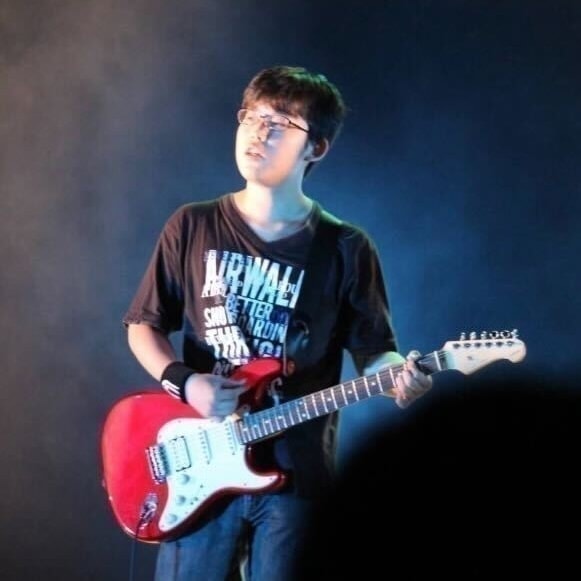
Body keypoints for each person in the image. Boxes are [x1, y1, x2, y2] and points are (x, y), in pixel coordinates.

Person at [122, 65, 432, 581]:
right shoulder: (193, 225)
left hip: (297, 474)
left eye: (279, 124)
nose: (257, 133)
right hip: (202, 464)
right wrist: (186, 382)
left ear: (316, 148)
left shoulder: (345, 247)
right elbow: (143, 325)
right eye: (251, 117)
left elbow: (375, 352)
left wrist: (401, 378)